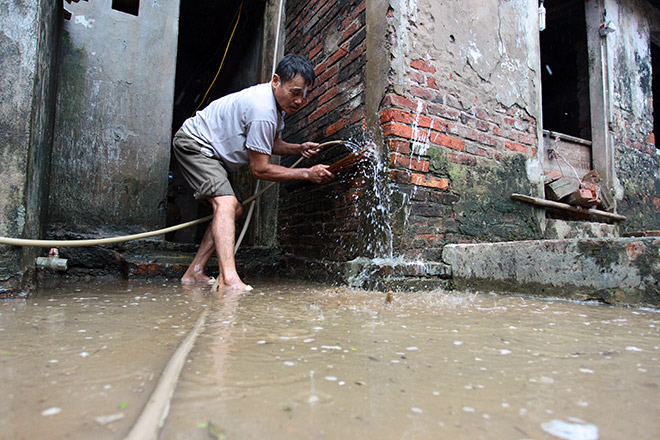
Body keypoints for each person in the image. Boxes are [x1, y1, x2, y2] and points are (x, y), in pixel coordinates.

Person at [172, 54, 333, 290]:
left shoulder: (274, 108)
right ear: (276, 80)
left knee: (233, 208)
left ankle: (194, 271)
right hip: (195, 145)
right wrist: (307, 174)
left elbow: (267, 142)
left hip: (212, 152)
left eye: (304, 95)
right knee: (226, 204)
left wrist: (298, 149)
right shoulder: (263, 110)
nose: (299, 101)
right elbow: (260, 169)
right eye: (295, 92)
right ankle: (229, 280)